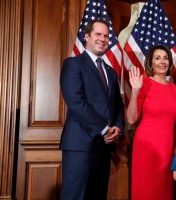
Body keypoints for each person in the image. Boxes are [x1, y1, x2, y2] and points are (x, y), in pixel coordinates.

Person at [59, 19, 125, 200]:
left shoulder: (110, 71)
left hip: (105, 146)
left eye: (106, 36)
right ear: (87, 36)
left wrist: (117, 127)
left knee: (97, 195)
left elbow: (117, 105)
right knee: (75, 196)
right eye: (98, 34)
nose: (102, 39)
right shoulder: (73, 64)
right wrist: (104, 129)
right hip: (80, 143)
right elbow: (76, 102)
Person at [126, 45, 176, 200]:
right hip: (146, 148)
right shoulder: (143, 84)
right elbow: (131, 119)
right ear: (150, 63)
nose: (162, 61)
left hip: (168, 148)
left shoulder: (175, 89)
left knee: (164, 192)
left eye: (165, 58)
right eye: (157, 58)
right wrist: (135, 91)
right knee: (146, 191)